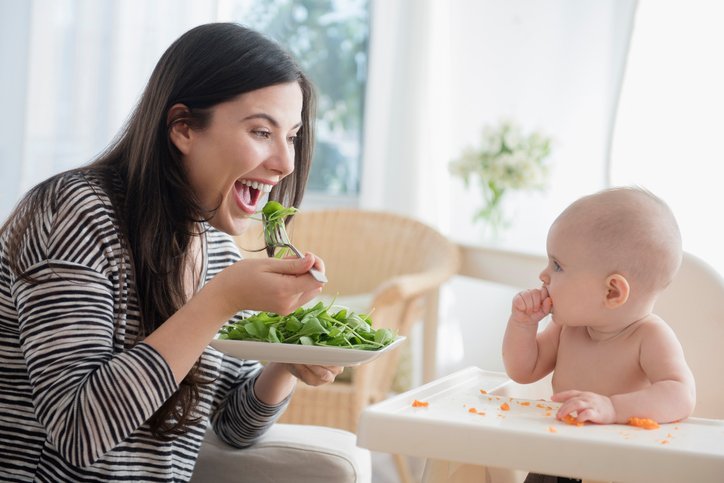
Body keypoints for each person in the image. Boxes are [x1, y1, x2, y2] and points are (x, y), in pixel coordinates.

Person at [0, 22, 345, 482]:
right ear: (183, 128)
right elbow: (77, 430)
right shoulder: (74, 212)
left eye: (292, 136)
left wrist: (285, 360)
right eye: (262, 132)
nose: (284, 162)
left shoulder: (215, 247)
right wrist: (220, 301)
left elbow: (233, 426)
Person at [502, 187, 696, 483]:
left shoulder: (649, 337)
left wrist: (613, 408)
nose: (544, 275)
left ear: (612, 291)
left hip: (617, 469)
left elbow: (681, 395)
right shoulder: (567, 328)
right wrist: (522, 325)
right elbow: (522, 370)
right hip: (554, 462)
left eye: (557, 265)